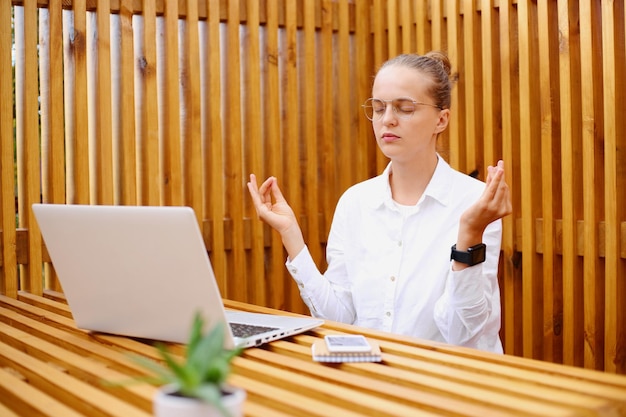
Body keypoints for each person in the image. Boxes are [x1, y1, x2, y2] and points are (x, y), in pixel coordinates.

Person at [247, 51, 512, 353]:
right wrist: (291, 235)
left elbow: (463, 334)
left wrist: (469, 235)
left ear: (441, 119)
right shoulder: (355, 202)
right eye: (379, 107)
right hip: (374, 377)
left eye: (405, 108)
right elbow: (340, 318)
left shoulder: (474, 203)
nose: (387, 120)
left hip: (449, 382)